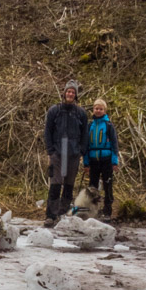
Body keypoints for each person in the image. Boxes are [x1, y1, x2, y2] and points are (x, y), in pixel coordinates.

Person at [43, 80, 88, 225]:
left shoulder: (81, 113)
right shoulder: (54, 110)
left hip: (73, 154)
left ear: (75, 96)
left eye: (73, 92)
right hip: (58, 153)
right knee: (56, 183)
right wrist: (50, 150)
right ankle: (51, 215)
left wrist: (81, 151)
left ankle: (63, 213)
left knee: (69, 184)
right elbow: (47, 131)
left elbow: (85, 134)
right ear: (64, 93)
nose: (70, 94)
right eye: (68, 91)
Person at [83, 98, 120, 220]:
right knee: (92, 186)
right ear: (93, 110)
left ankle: (107, 211)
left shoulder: (109, 126)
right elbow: (86, 146)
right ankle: (93, 211)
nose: (98, 111)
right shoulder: (90, 126)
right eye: (96, 108)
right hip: (93, 160)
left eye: (100, 109)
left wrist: (115, 162)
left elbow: (114, 145)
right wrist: (86, 163)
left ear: (104, 110)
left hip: (106, 159)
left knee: (107, 185)